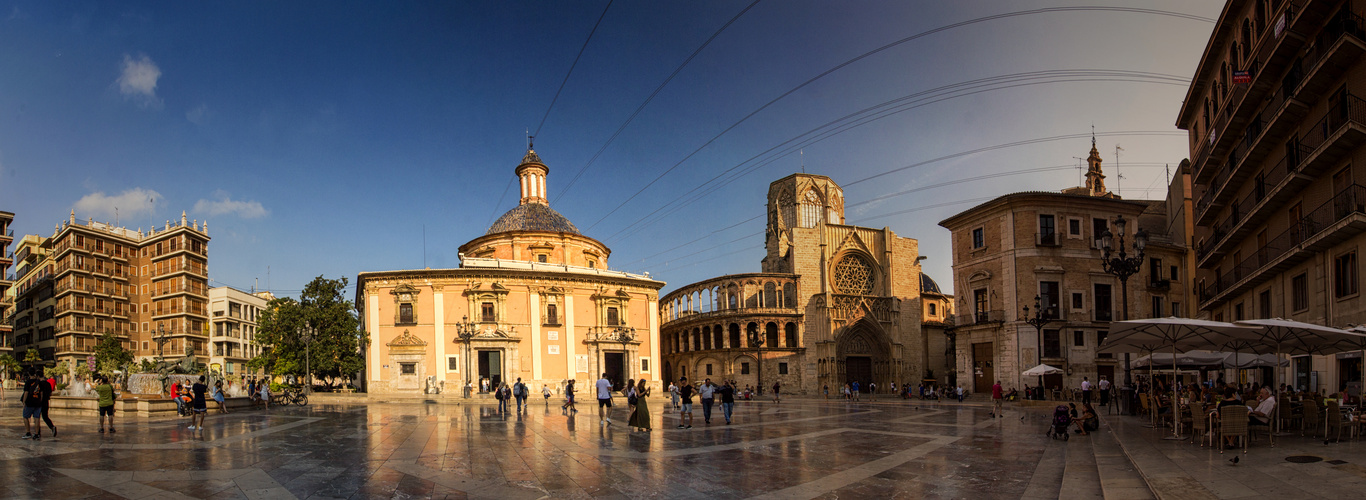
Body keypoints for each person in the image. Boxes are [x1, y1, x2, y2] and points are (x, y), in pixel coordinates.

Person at [21, 370, 50, 440]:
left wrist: (24, 402)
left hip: (30, 402)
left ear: (29, 374)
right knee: (37, 418)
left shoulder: (28, 382)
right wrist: (40, 400)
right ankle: (37, 434)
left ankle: (28, 432)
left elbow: (26, 393)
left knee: (25, 417)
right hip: (38, 402)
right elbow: (41, 393)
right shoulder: (39, 382)